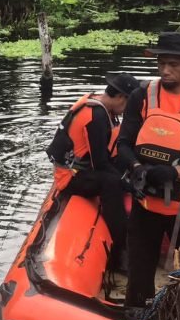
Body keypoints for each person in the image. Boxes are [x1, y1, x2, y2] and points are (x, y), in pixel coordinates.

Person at [116, 33, 180, 307]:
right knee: (139, 274)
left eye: (173, 64)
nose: (165, 70)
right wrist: (137, 167)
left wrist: (177, 173)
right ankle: (138, 317)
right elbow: (124, 143)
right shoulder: (141, 97)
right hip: (146, 206)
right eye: (161, 63)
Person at [46, 73, 140, 269]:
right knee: (111, 183)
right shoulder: (96, 116)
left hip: (87, 168)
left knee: (125, 163)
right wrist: (126, 184)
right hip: (71, 178)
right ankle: (120, 251)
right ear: (122, 98)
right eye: (129, 104)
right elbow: (100, 164)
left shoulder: (100, 105)